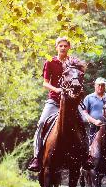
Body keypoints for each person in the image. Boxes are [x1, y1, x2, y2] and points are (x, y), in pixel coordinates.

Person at [28, 36, 83, 172]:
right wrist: (57, 89)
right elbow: (45, 83)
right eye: (61, 46)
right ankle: (36, 157)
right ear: (56, 47)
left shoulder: (73, 62)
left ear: (69, 47)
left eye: (65, 45)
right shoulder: (50, 62)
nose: (63, 48)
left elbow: (79, 80)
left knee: (83, 122)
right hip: (54, 101)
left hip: (70, 102)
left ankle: (85, 156)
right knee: (41, 123)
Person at [80, 77, 106, 144]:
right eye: (98, 85)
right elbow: (84, 113)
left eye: (102, 85)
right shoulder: (88, 98)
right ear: (95, 85)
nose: (100, 87)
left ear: (105, 86)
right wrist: (95, 121)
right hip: (94, 127)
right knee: (92, 148)